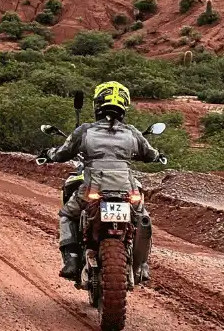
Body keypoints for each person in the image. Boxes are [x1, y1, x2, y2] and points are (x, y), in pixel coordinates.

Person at [45, 81, 159, 283]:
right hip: (127, 189)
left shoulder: (85, 131)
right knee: (143, 220)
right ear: (125, 105)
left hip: (92, 187)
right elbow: (150, 154)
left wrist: (50, 154)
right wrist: (158, 156)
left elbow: (62, 153)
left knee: (66, 215)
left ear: (97, 104)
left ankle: (71, 261)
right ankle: (141, 266)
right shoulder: (132, 132)